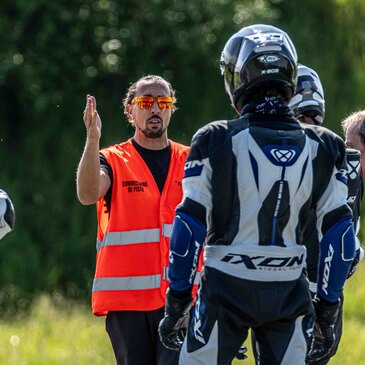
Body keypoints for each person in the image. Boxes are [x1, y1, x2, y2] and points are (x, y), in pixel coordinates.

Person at [158, 24, 355, 365]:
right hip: (290, 290)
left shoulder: (214, 137)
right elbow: (341, 237)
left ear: (237, 77)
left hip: (224, 287)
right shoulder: (326, 145)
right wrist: (328, 308)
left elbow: (188, 226)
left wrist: (177, 302)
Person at [76, 75, 191, 365]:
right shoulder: (112, 159)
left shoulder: (190, 160)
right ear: (131, 110)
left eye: (164, 102)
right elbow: (88, 193)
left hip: (182, 301)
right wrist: (92, 139)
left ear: (171, 109)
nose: (155, 108)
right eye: (146, 102)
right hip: (128, 305)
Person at [288, 64, 363, 364]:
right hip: (328, 293)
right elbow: (349, 242)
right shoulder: (338, 152)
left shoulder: (323, 153)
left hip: (293, 291)